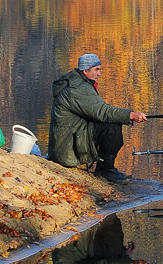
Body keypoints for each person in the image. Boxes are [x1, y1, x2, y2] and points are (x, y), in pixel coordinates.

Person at [47, 53, 147, 182]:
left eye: (99, 69)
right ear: (85, 71)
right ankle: (106, 170)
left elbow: (96, 110)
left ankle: (105, 168)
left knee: (112, 121)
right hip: (66, 148)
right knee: (112, 127)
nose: (99, 73)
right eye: (96, 69)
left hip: (71, 137)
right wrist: (130, 115)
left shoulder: (79, 82)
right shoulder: (77, 88)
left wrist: (126, 117)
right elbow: (101, 111)